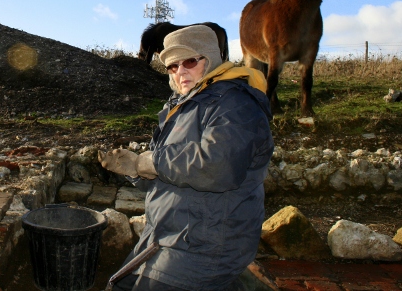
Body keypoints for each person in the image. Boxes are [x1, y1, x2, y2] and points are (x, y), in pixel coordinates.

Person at [99, 25, 275, 290]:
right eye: (172, 66)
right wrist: (136, 170)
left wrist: (152, 162)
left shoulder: (234, 104)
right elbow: (169, 174)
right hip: (168, 233)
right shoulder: (180, 107)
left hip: (207, 243)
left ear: (211, 59)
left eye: (190, 61)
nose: (181, 72)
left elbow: (218, 167)